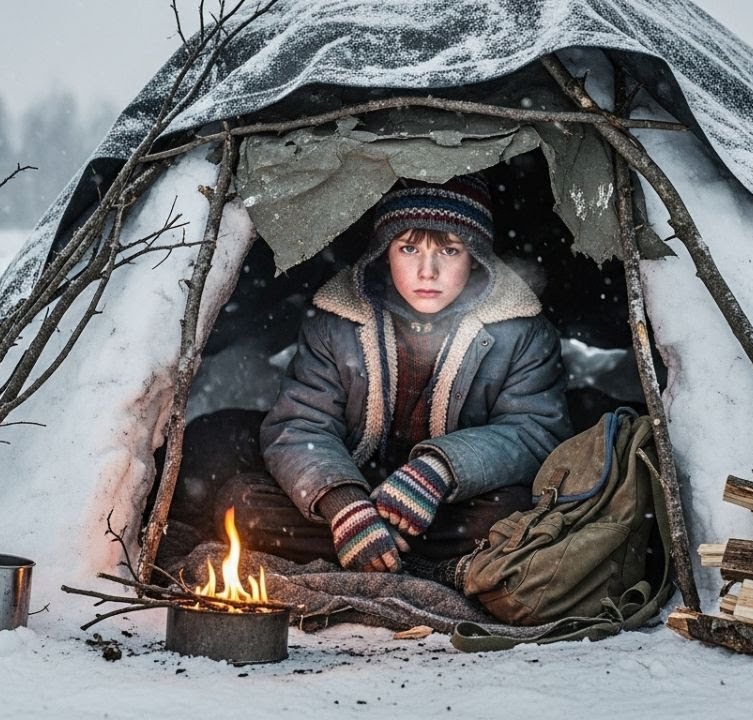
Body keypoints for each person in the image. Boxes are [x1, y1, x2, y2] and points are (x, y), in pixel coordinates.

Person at [214, 173, 571, 575]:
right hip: (358, 482)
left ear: (476, 259)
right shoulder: (339, 320)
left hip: (452, 501)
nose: (427, 271)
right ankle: (400, 552)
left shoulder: (519, 328)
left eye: (450, 251)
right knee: (242, 503)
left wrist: (440, 470)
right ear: (385, 254)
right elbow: (301, 424)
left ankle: (377, 555)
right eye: (409, 249)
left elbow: (534, 431)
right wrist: (343, 504)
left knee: (509, 516)